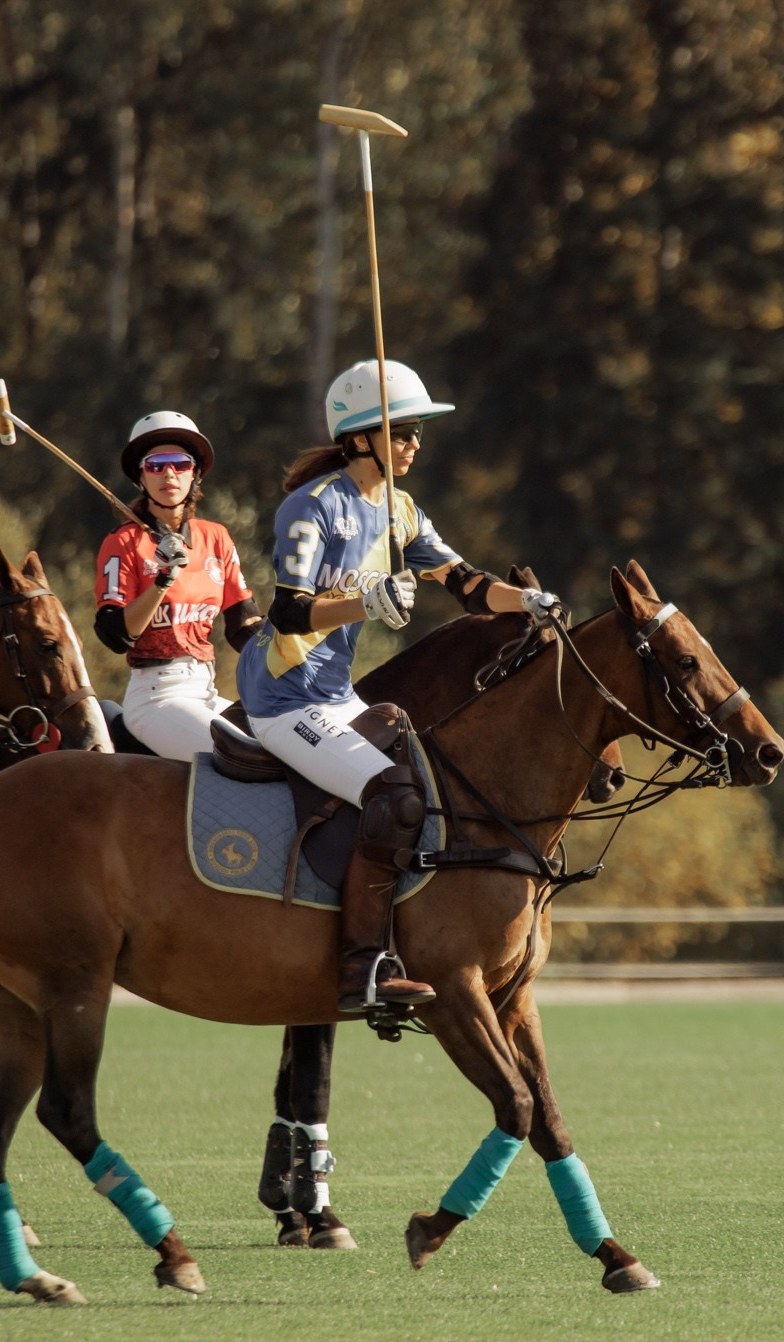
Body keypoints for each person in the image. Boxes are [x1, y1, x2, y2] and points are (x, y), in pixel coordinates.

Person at [237, 360, 563, 1012]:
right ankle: (362, 967)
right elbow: (290, 611)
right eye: (404, 430)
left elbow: (467, 584)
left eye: (417, 431)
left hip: (336, 695)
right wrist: (365, 603)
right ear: (361, 437)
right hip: (284, 695)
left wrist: (526, 600)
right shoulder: (312, 507)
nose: (416, 442)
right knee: (392, 793)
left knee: (430, 789)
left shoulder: (400, 511)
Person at [93, 411, 263, 759]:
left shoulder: (215, 537)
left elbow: (244, 626)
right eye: (156, 465)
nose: (169, 474)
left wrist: (293, 652)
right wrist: (162, 580)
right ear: (141, 476)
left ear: (194, 474)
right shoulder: (123, 542)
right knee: (238, 757)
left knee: (284, 745)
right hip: (156, 697)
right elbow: (115, 635)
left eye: (180, 464)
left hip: (205, 691)